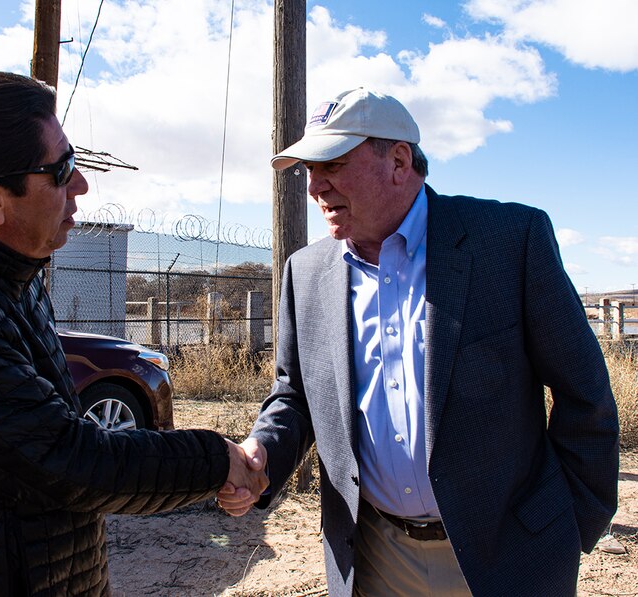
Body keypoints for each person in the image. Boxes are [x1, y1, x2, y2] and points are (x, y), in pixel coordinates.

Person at [0, 71, 266, 596]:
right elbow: (72, 461)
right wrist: (216, 459)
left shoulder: (6, 273)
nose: (81, 185)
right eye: (62, 170)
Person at [217, 88, 619, 596]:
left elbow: (585, 394)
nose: (315, 187)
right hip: (376, 558)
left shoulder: (509, 241)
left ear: (399, 161)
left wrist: (570, 524)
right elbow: (295, 395)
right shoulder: (307, 273)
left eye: (332, 164)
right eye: (307, 171)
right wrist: (262, 456)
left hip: (507, 555)